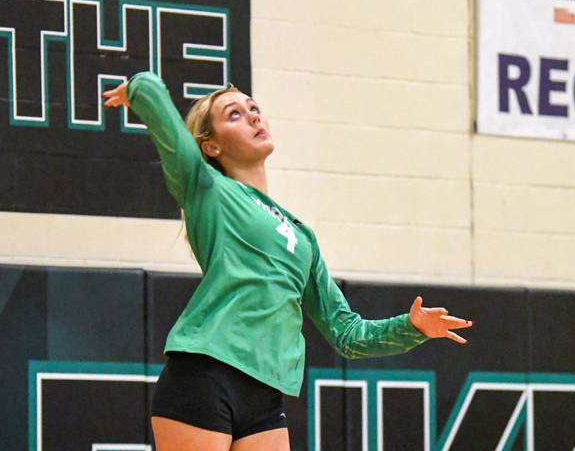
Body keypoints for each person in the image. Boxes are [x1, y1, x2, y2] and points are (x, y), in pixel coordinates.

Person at [103, 72, 473, 451]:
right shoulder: (207, 190)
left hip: (266, 392)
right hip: (204, 373)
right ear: (211, 146)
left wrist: (411, 327)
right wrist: (139, 89)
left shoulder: (303, 236)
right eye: (234, 114)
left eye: (254, 109)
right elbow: (171, 132)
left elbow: (346, 334)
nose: (253, 117)